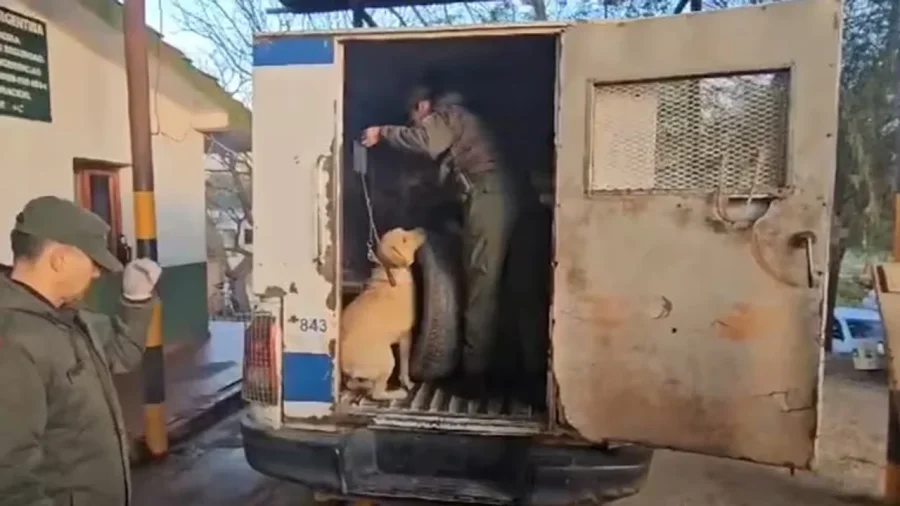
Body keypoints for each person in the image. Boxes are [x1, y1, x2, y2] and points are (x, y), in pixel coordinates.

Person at [361, 86, 527, 393]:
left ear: (423, 105)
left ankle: (475, 374)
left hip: (488, 196)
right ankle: (487, 362)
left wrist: (382, 133)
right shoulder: (461, 121)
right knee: (486, 278)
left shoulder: (447, 115)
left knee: (481, 282)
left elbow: (426, 142)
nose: (414, 126)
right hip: (486, 196)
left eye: (413, 118)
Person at [0, 196, 161, 506]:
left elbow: (121, 355)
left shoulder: (68, 316)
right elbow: (10, 479)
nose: (97, 274)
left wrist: (136, 299)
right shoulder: (14, 342)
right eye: (93, 262)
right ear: (59, 259)